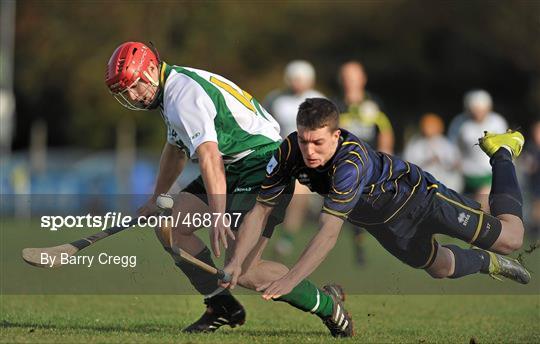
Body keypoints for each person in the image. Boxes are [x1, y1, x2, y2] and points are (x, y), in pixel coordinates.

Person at [105, 42, 351, 337]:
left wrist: (219, 213)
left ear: (150, 70)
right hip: (235, 166)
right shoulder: (171, 90)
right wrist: (155, 199)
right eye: (125, 91)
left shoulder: (182, 94)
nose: (132, 96)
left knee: (245, 271)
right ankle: (220, 305)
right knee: (170, 226)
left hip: (262, 165)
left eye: (135, 86)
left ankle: (328, 305)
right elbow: (176, 150)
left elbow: (209, 156)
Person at [220, 98, 530, 309]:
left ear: (336, 135)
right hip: (385, 225)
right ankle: (486, 263)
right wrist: (236, 262)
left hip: (421, 199)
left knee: (510, 239)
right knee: (441, 268)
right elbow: (261, 211)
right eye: (303, 140)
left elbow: (328, 233)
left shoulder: (350, 163)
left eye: (318, 142)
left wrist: (290, 279)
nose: (309, 151)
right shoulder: (288, 152)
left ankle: (502, 152)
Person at [334, 61, 395, 265]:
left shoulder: (373, 103)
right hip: (347, 163)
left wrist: (385, 155)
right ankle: (358, 243)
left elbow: (384, 130)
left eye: (354, 76)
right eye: (347, 77)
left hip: (373, 162)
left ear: (363, 79)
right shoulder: (335, 105)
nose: (350, 81)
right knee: (353, 204)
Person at [264, 60, 325, 257]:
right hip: (280, 155)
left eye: (301, 79)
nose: (297, 83)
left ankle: (286, 239)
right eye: (294, 78)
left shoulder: (319, 101)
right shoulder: (275, 99)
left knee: (299, 194)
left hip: (307, 157)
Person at [448, 90, 508, 209]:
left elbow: (505, 146)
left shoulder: (497, 122)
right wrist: (455, 160)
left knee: (482, 206)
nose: (478, 113)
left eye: (481, 110)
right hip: (466, 174)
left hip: (489, 172)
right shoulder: (459, 123)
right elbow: (452, 145)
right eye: (475, 110)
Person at [403, 113, 463, 192]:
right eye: (426, 126)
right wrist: (428, 161)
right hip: (423, 187)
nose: (428, 129)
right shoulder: (416, 143)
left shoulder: (444, 143)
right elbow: (408, 164)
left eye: (431, 126)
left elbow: (454, 162)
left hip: (445, 185)